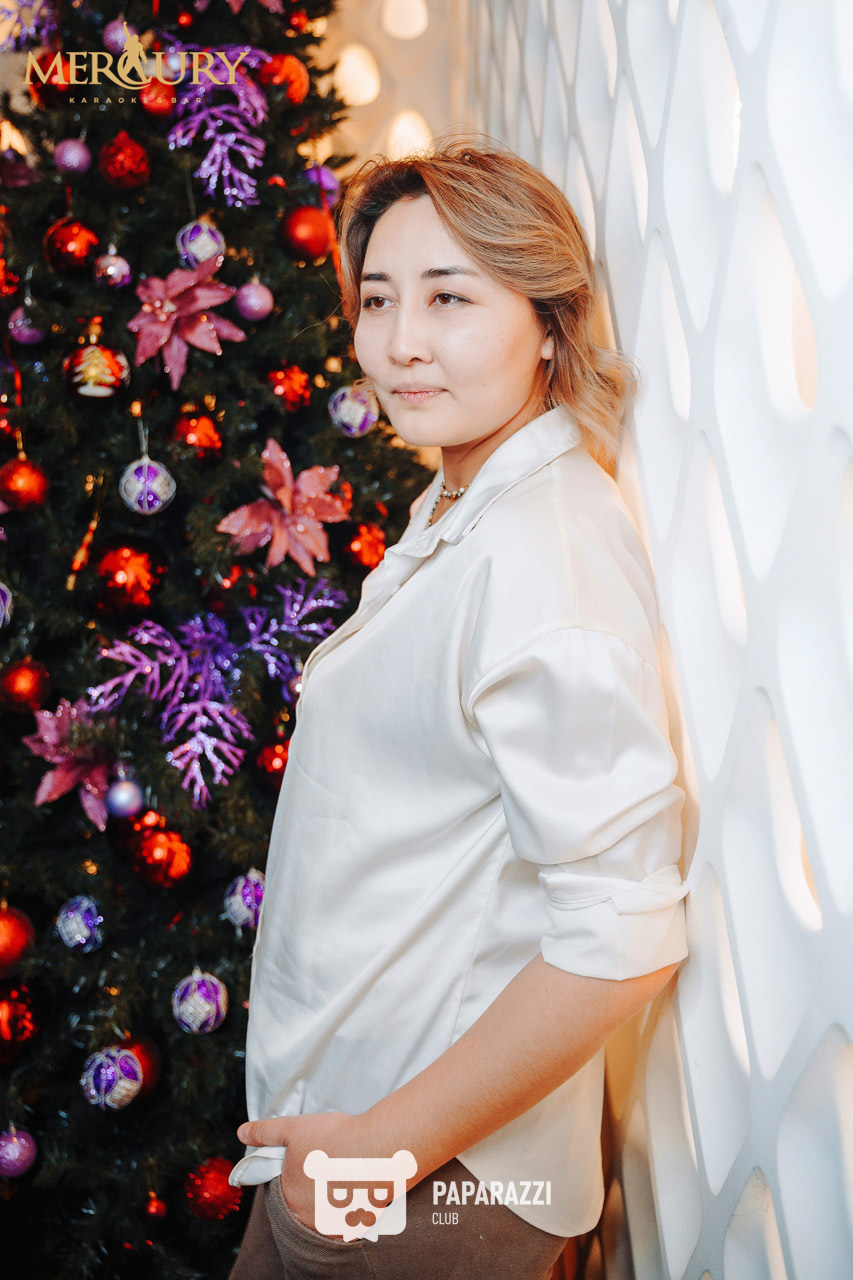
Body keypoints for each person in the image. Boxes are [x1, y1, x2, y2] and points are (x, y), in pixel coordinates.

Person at [227, 133, 690, 1280]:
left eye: (448, 297)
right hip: (349, 1126)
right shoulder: (465, 497)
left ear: (548, 322)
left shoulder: (543, 557)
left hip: (426, 1176)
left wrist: (376, 1153)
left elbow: (622, 933)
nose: (398, 342)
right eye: (378, 297)